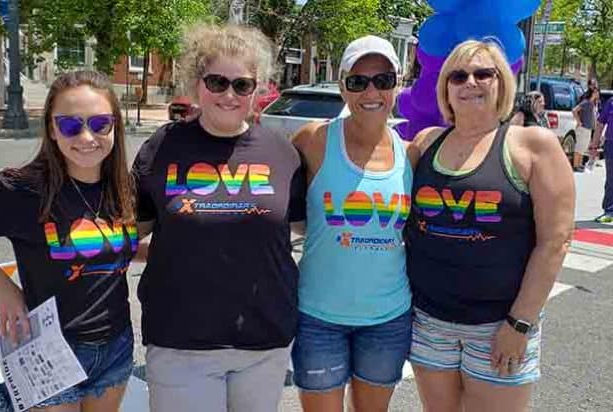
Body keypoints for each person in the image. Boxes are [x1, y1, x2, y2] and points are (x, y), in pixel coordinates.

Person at [0, 70, 138, 412]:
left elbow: (104, 246)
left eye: (100, 123)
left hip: (115, 345)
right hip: (51, 348)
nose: (87, 136)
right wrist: (3, 288)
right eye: (70, 125)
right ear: (53, 129)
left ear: (115, 126)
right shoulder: (24, 190)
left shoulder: (122, 186)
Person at [132, 24, 306, 412]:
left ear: (258, 90)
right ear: (197, 83)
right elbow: (126, 234)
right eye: (217, 82)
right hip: (180, 341)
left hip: (264, 341)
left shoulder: (282, 152)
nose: (229, 95)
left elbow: (306, 230)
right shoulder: (163, 147)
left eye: (242, 85)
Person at [406, 39, 574, 411]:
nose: (470, 82)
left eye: (484, 73)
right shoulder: (426, 143)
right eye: (458, 75)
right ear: (445, 88)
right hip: (430, 322)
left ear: (503, 83)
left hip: (499, 326)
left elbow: (556, 241)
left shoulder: (532, 146)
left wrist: (520, 324)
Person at [291, 35, 413, 412]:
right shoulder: (313, 140)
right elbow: (282, 206)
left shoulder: (413, 154)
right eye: (358, 81)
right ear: (342, 85)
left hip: (388, 319)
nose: (371, 91)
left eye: (383, 80)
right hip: (318, 316)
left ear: (399, 82)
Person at [590, 90, 613, 223]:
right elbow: (600, 124)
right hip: (611, 144)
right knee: (611, 179)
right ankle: (609, 211)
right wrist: (594, 145)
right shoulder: (610, 102)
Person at [573, 88, 599, 172]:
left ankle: (580, 164)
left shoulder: (592, 104)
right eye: (596, 92)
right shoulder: (586, 102)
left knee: (583, 147)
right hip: (582, 128)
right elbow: (574, 110)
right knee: (579, 147)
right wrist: (579, 121)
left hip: (588, 128)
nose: (598, 94)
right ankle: (575, 165)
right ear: (593, 93)